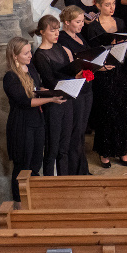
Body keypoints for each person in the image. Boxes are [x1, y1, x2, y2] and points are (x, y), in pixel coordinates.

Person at [4, 37, 64, 201]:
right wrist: (51, 99)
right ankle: (19, 203)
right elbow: (26, 101)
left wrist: (55, 91)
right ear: (15, 56)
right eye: (26, 53)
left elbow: (37, 89)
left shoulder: (30, 68)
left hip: (37, 121)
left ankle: (35, 201)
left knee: (36, 164)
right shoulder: (10, 77)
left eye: (30, 51)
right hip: (22, 125)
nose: (30, 55)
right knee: (23, 166)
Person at [82, 0, 127, 168]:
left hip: (119, 70)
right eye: (107, 5)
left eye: (113, 4)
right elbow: (92, 53)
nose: (111, 8)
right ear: (98, 5)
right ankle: (105, 152)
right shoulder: (92, 27)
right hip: (103, 73)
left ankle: (123, 150)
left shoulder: (120, 22)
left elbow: (124, 47)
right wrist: (101, 66)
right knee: (105, 112)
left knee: (121, 111)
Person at [33, 15, 77, 176]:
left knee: (64, 147)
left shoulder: (59, 47)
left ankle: (64, 182)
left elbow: (68, 71)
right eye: (53, 30)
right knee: (52, 147)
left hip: (67, 100)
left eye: (58, 29)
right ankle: (49, 183)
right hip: (53, 104)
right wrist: (70, 80)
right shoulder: (40, 55)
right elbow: (51, 82)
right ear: (42, 32)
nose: (57, 33)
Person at [57, 6, 94, 175]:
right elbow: (66, 67)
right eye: (78, 22)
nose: (82, 25)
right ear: (66, 22)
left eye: (82, 21)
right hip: (75, 89)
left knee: (81, 131)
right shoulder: (62, 40)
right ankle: (76, 173)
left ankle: (82, 169)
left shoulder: (78, 36)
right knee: (75, 132)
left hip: (86, 88)